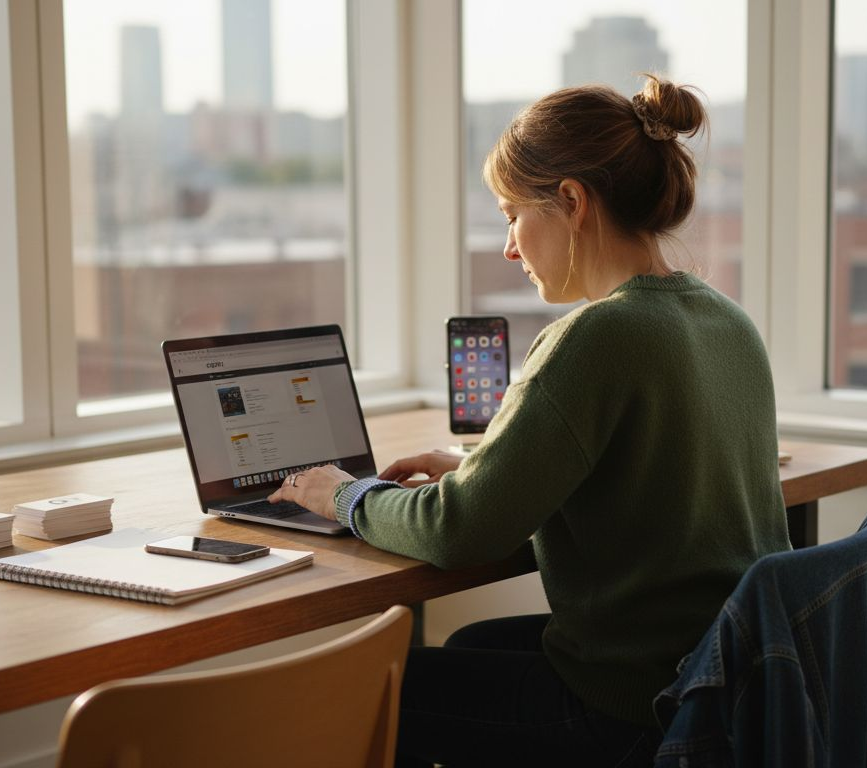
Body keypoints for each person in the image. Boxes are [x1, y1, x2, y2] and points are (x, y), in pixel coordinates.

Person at [268, 74, 790, 767]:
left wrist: (344, 494)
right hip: (725, 681)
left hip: (638, 706)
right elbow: (648, 471)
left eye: (512, 215)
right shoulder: (728, 322)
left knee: (383, 686)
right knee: (469, 647)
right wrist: (479, 470)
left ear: (572, 201)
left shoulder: (596, 337)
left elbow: (458, 531)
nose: (510, 247)